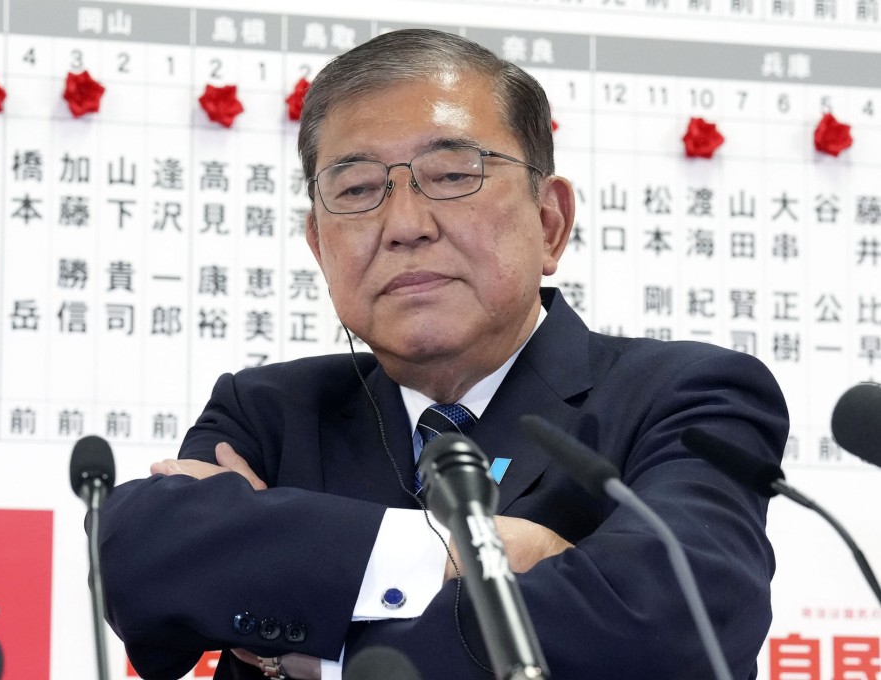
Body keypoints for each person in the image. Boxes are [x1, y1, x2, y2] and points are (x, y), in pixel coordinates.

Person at [99, 28, 789, 680]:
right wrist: (460, 556)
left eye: (453, 173)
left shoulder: (690, 395)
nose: (404, 224)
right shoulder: (270, 412)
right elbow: (143, 565)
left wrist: (320, 639)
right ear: (318, 246)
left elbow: (676, 622)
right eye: (358, 189)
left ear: (549, 223)